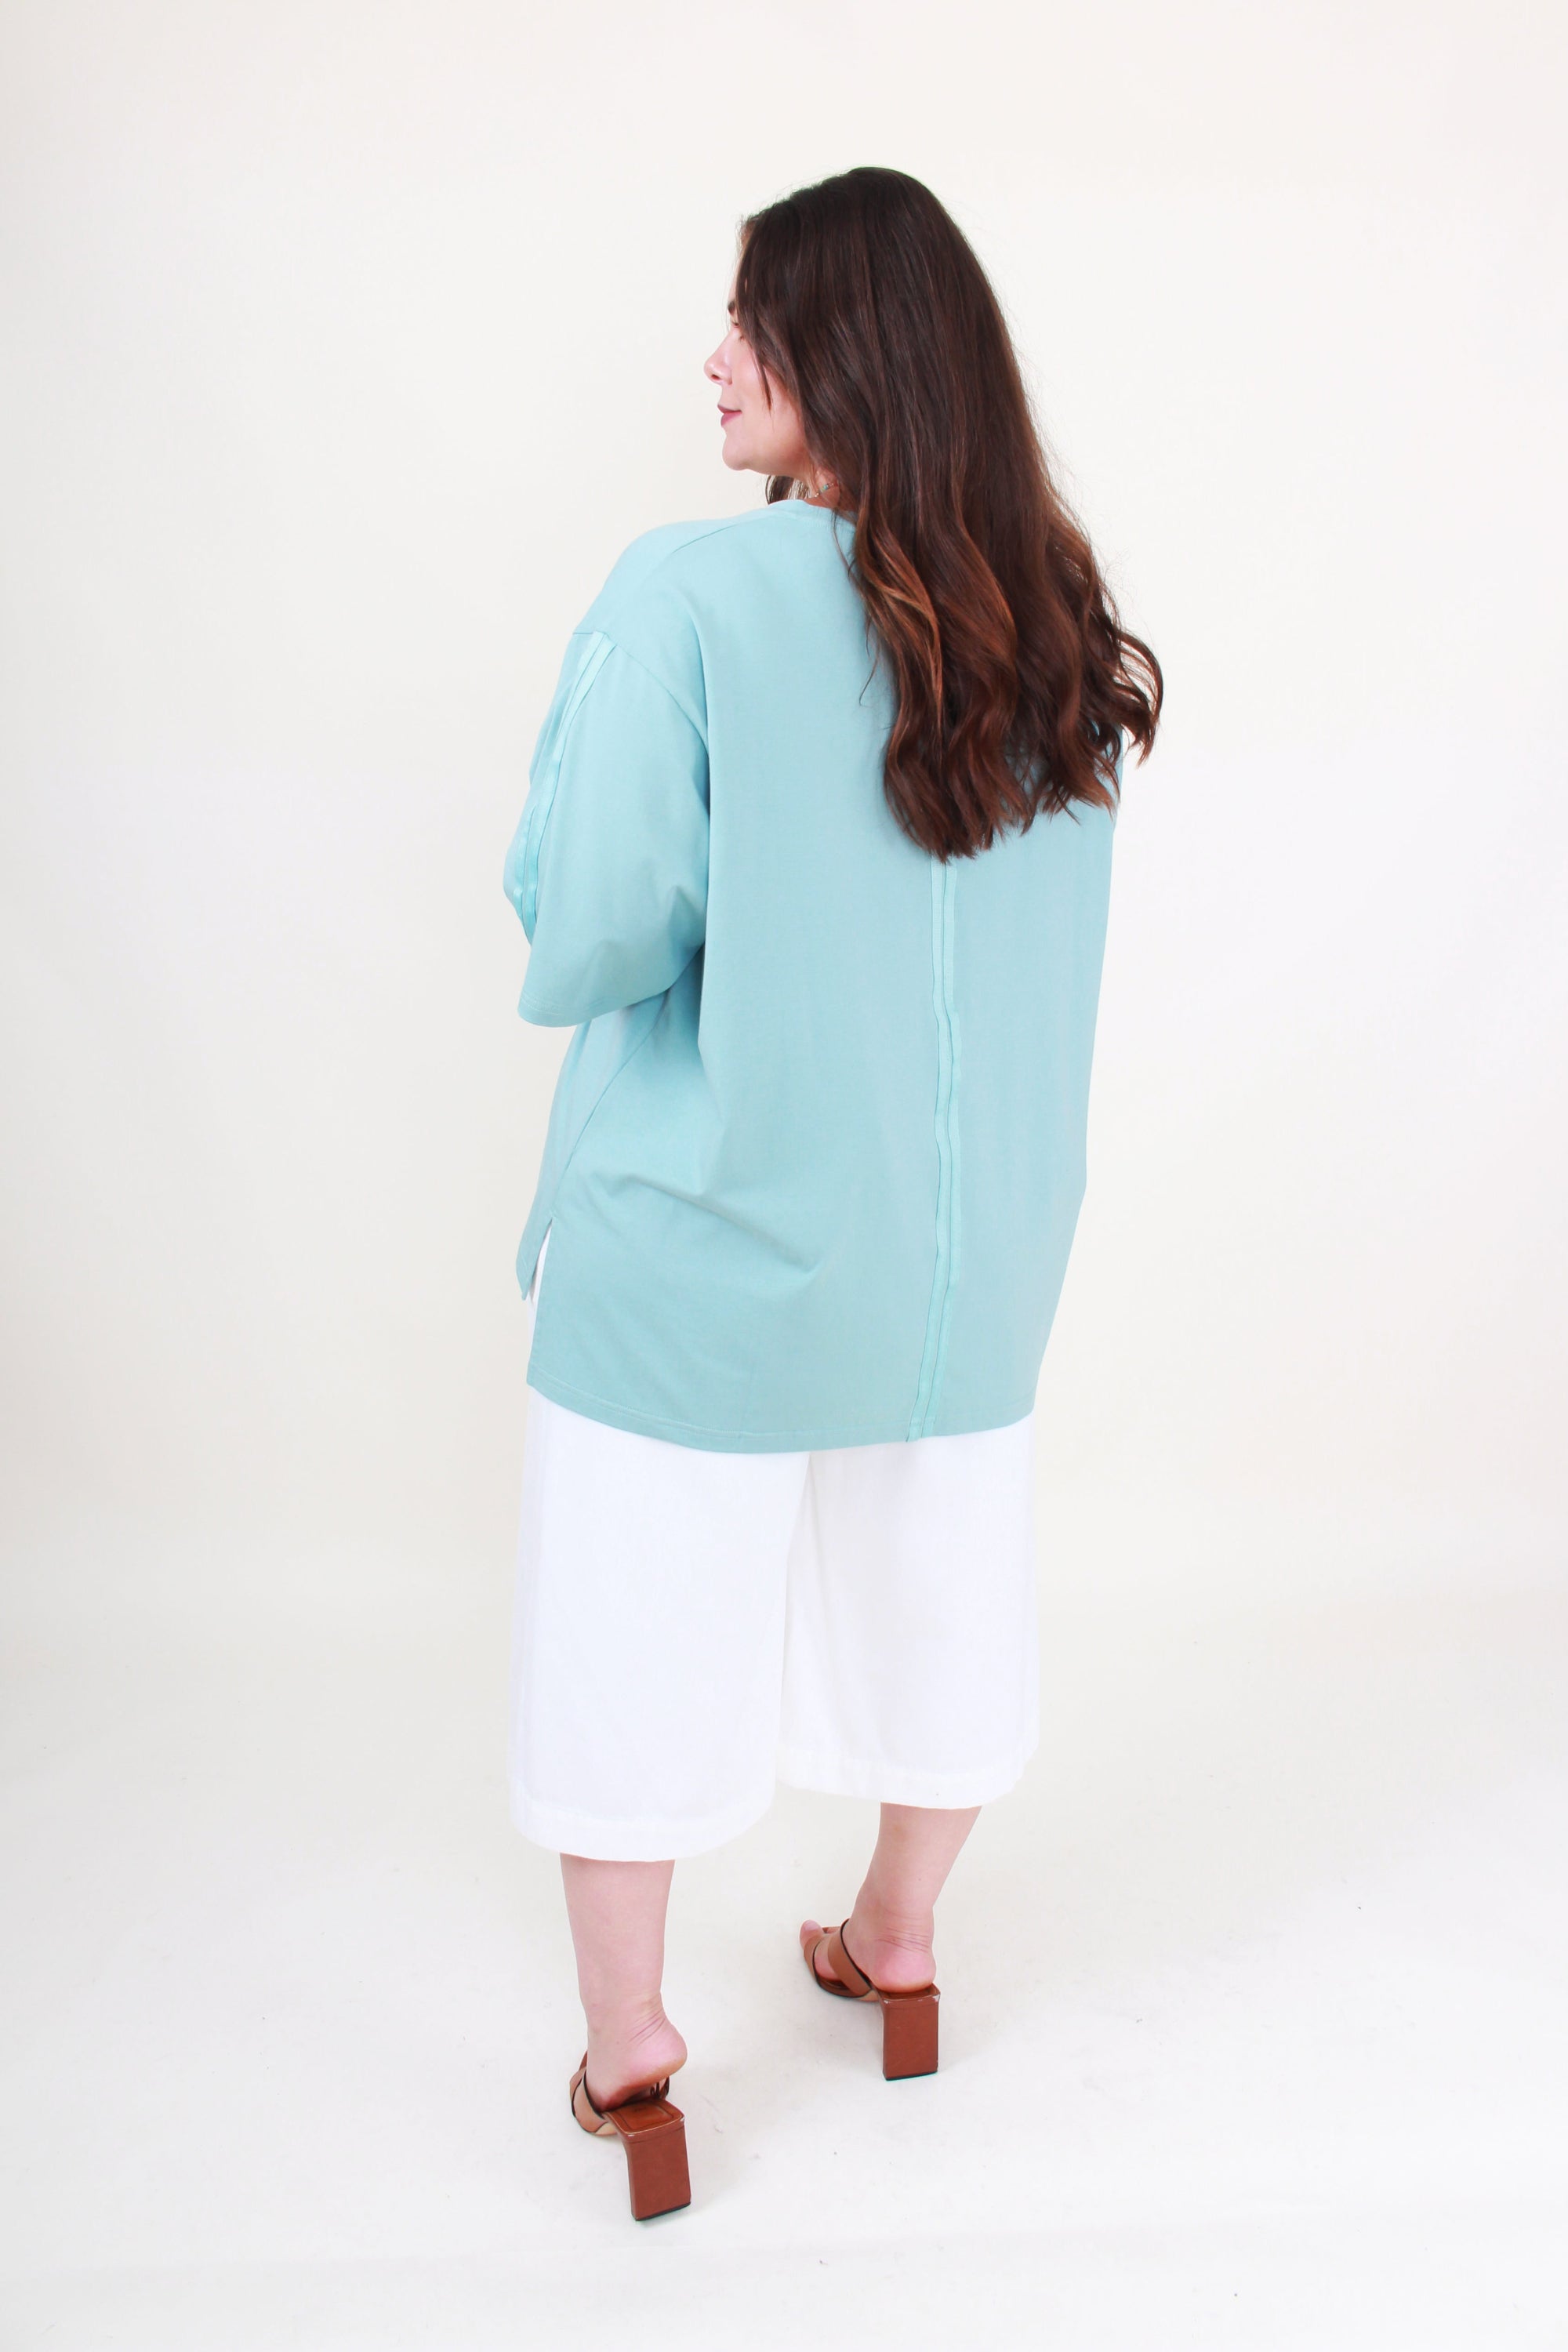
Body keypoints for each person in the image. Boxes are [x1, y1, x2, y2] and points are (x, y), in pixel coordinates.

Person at [501, 165, 1161, 2220]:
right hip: (964, 1276)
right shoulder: (1055, 623)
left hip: (708, 1250)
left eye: (751, 324)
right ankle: (897, 1941)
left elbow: (592, 923)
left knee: (633, 1633)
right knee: (941, 1603)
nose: (714, 359)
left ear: (843, 356)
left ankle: (637, 2066)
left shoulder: (686, 601)